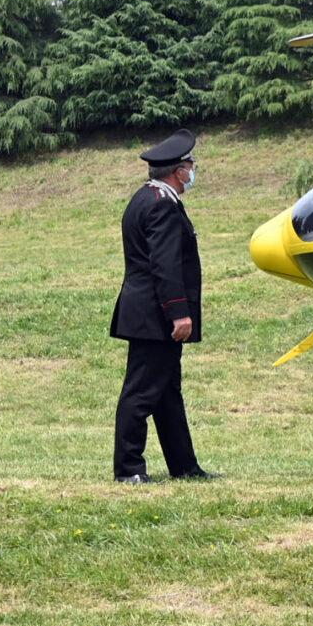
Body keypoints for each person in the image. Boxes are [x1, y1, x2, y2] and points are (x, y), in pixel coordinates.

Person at [110, 129, 216, 484]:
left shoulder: (146, 197)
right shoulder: (161, 205)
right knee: (140, 394)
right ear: (177, 170)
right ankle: (129, 470)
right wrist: (178, 312)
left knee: (167, 394)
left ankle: (184, 466)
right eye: (190, 165)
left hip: (146, 314)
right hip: (154, 316)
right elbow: (165, 264)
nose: (192, 171)